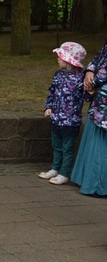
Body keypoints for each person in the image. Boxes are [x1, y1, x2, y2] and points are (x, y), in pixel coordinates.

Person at [39, 42, 88, 185]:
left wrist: (90, 91)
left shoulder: (80, 78)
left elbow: (86, 97)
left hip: (70, 121)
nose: (58, 59)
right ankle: (55, 168)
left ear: (68, 60)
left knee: (67, 148)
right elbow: (52, 92)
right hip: (56, 118)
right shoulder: (58, 75)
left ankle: (64, 173)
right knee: (56, 145)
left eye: (60, 56)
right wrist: (48, 107)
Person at [71, 41, 107, 196]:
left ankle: (98, 185)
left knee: (100, 145)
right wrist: (89, 72)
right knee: (95, 141)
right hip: (100, 102)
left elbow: (104, 71)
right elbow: (98, 59)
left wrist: (93, 82)